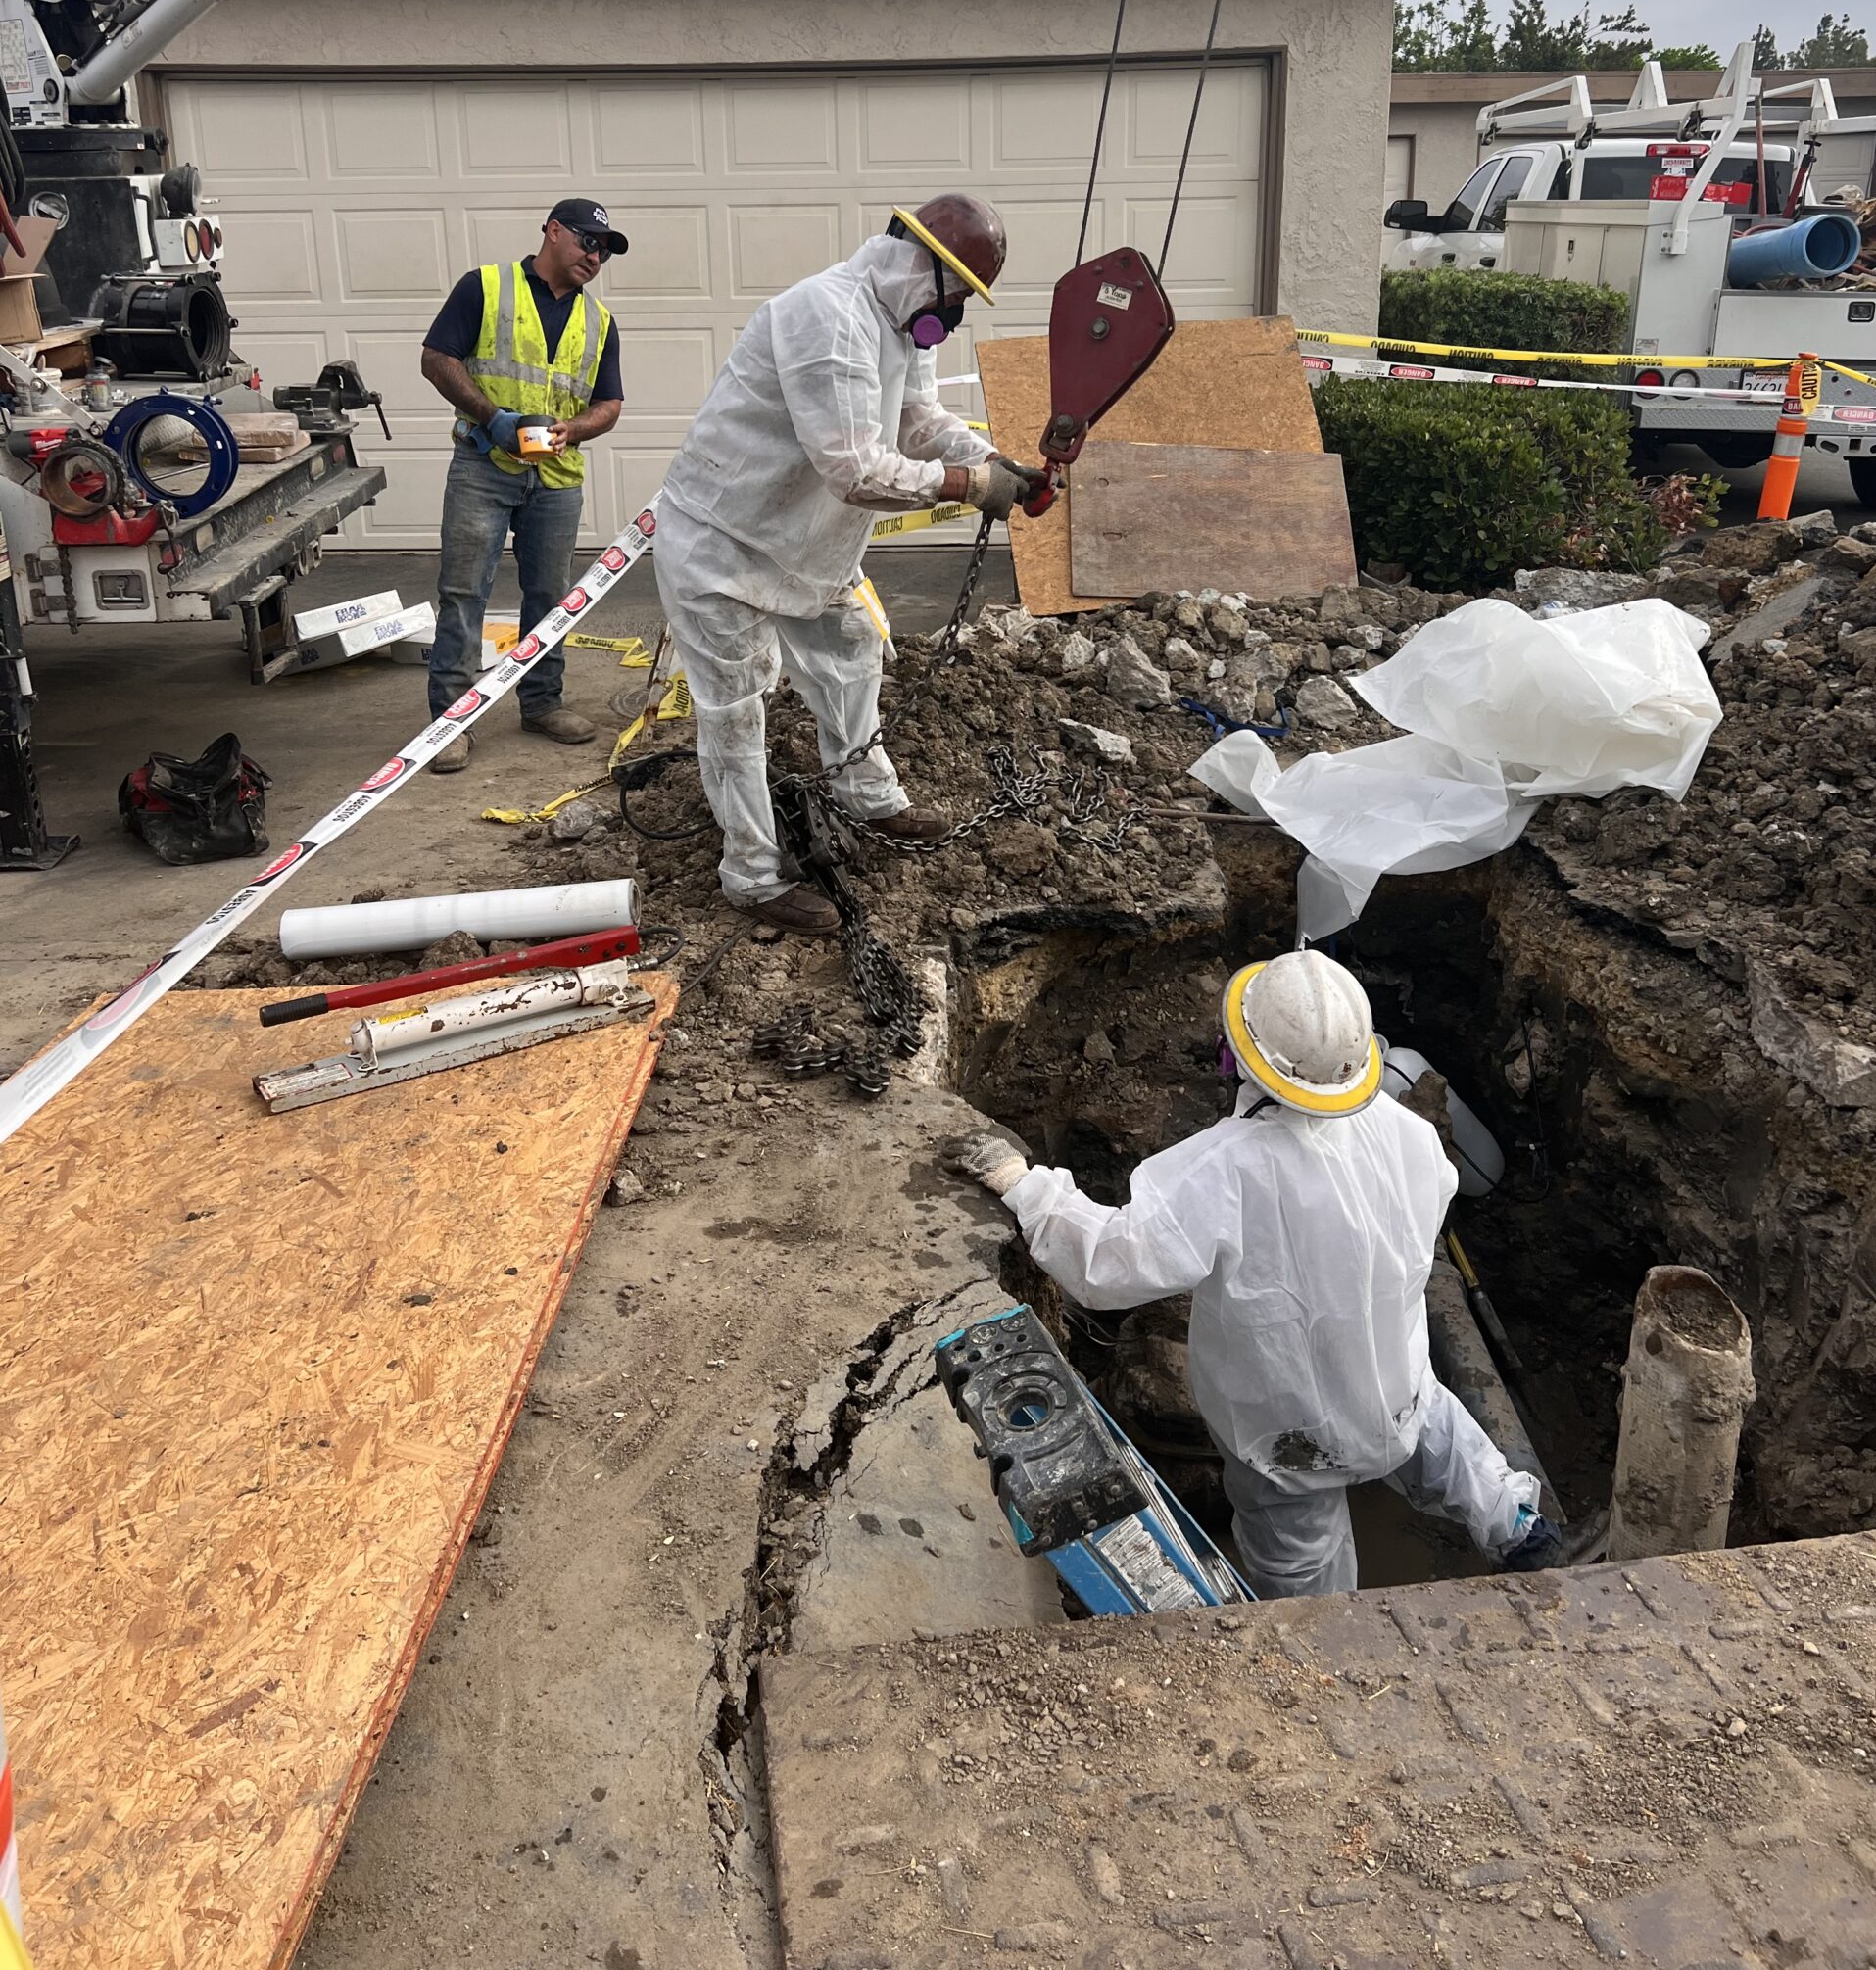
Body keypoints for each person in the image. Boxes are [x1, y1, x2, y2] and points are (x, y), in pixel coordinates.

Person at [943, 949, 1562, 1599]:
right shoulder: (1410, 1135)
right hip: (1395, 1382)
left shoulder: (1224, 1169)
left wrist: (1029, 1189)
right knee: (1437, 1433)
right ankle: (1523, 1533)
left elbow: (1107, 1264)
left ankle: (1322, 1651)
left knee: (1302, 1576)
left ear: (1240, 1057)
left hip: (1288, 1435)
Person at [654, 197, 1044, 935]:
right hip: (725, 541)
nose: (955, 311)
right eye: (955, 291)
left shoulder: (902, 323)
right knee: (737, 708)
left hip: (809, 542)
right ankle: (751, 874)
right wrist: (968, 488)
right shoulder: (825, 318)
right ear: (916, 259)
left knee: (852, 651)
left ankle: (868, 797)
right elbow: (855, 471)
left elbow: (918, 418)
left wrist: (990, 461)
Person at [420, 200, 627, 773]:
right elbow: (436, 358)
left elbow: (609, 404)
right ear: (553, 232)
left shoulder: (600, 322)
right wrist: (494, 418)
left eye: (605, 250)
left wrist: (575, 429)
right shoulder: (485, 288)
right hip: (483, 467)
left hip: (557, 480)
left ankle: (541, 703)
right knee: (464, 594)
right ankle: (451, 723)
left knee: (550, 600)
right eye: (589, 242)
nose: (596, 256)